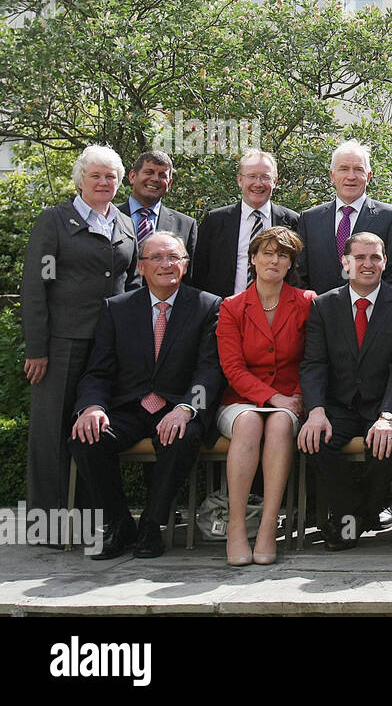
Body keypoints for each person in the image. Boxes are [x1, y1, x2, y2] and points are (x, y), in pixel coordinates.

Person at [69, 232, 224, 559]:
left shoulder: (207, 305)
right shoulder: (117, 308)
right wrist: (93, 407)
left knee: (181, 437)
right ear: (141, 266)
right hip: (127, 409)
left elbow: (209, 369)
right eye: (157, 258)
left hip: (176, 407)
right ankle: (119, 523)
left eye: (174, 258)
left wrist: (186, 408)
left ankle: (152, 527)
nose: (166, 264)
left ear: (185, 264)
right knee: (87, 437)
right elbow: (98, 370)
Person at [22, 144, 138, 519]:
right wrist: (37, 348)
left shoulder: (124, 222)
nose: (104, 182)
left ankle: (92, 516)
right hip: (63, 343)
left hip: (109, 344)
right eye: (96, 175)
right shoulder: (55, 221)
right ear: (81, 179)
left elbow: (131, 280)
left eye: (111, 177)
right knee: (53, 429)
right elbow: (37, 287)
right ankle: (50, 520)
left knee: (96, 428)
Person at [297, 232, 392, 550]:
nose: (368, 264)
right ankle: (361, 511)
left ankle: (350, 521)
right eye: (360, 258)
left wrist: (388, 415)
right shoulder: (324, 306)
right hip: (337, 406)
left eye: (375, 257)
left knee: (389, 444)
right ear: (346, 262)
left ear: (385, 262)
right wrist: (315, 411)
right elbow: (314, 363)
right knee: (312, 440)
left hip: (382, 405)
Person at [215, 226, 316, 566]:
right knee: (248, 425)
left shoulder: (306, 302)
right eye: (267, 253)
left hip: (291, 399)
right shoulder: (231, 307)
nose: (274, 260)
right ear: (253, 258)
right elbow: (232, 368)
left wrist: (297, 396)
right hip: (240, 400)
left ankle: (270, 526)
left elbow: (314, 360)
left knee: (277, 426)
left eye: (282, 255)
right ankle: (237, 526)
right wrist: (273, 398)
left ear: (291, 264)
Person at [297, 139, 392, 293]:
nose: (351, 176)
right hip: (319, 312)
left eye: (358, 169)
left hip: (371, 312)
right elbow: (299, 274)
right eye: (344, 169)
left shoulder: (391, 217)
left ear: (368, 176)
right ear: (332, 176)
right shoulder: (309, 220)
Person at [191, 149, 300, 298]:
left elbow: (299, 274)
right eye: (252, 176)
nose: (258, 183)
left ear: (275, 181)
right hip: (223, 312)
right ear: (240, 180)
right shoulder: (215, 221)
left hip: (275, 314)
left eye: (265, 177)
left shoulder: (293, 221)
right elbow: (198, 273)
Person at [119, 150, 197, 285]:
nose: (155, 179)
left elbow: (189, 279)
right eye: (149, 172)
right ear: (132, 176)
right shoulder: (110, 216)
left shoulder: (186, 225)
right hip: (115, 302)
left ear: (169, 183)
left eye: (162, 175)